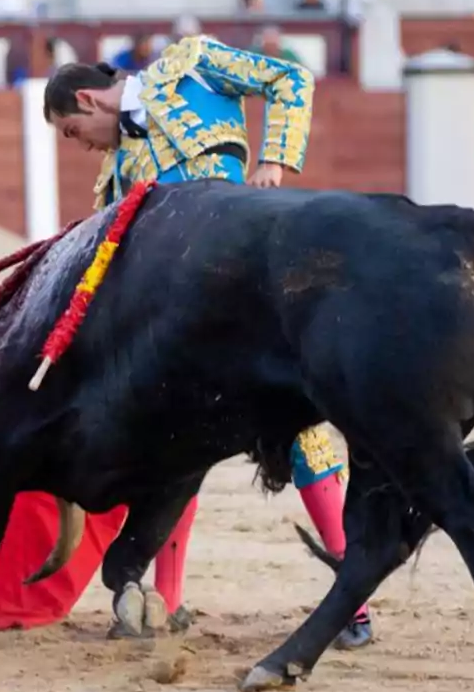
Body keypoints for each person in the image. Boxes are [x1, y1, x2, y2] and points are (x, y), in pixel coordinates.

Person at [42, 34, 373, 650]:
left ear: (88, 99)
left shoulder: (189, 63)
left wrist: (274, 159)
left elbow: (288, 80)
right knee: (170, 448)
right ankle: (166, 602)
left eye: (71, 129)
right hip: (184, 333)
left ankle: (354, 597)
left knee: (302, 431)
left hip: (253, 290)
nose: (78, 145)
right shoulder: (115, 175)